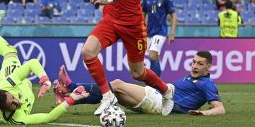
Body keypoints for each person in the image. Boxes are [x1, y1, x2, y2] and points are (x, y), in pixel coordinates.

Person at [85, 0, 174, 116]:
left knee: (137, 73)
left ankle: (166, 91)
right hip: (110, 20)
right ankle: (107, 96)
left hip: (133, 25)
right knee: (88, 52)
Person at [0, 10, 89, 125]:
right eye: (12, 104)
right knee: (24, 83)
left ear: (9, 91)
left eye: (12, 97)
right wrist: (73, 98)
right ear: (5, 109)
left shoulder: (8, 84)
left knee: (10, 52)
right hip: (18, 86)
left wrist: (45, 80)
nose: (16, 101)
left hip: (7, 82)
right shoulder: (18, 118)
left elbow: (32, 63)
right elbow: (49, 117)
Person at [54, 51, 226, 116]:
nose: (195, 66)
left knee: (117, 84)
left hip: (162, 104)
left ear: (209, 66)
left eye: (200, 64)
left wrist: (203, 114)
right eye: (194, 62)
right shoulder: (192, 77)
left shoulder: (207, 84)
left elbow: (220, 108)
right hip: (158, 98)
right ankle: (69, 97)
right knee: (112, 92)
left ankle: (70, 86)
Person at [142, 0, 177, 77]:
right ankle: (158, 83)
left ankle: (153, 83)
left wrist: (172, 33)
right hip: (149, 32)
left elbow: (174, 16)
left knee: (152, 55)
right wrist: (142, 30)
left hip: (161, 32)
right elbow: (143, 14)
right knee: (155, 57)